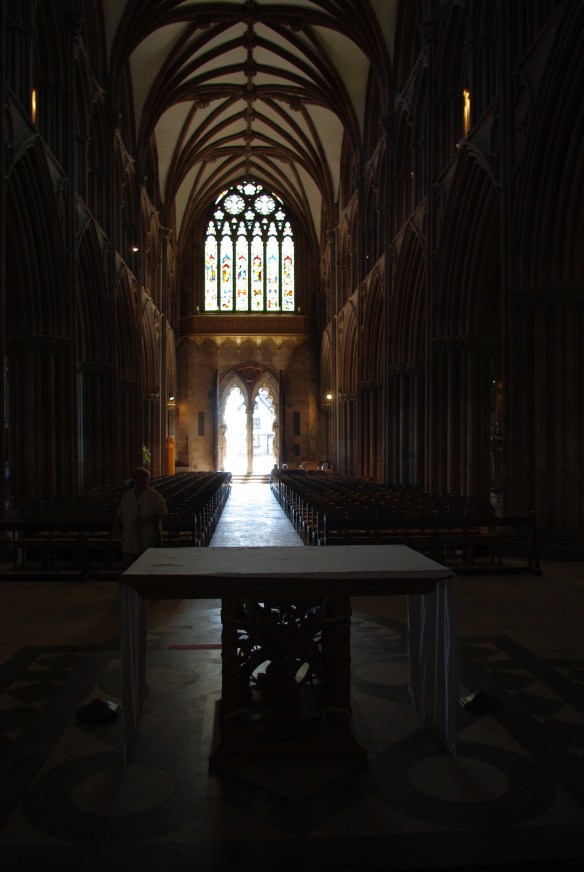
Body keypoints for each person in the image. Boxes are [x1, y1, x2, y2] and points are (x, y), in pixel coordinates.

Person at [112, 467, 169, 566]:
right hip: (129, 536)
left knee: (146, 568)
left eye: (146, 479)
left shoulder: (154, 496)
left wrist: (146, 520)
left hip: (147, 539)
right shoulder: (128, 495)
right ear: (135, 480)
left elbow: (163, 515)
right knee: (129, 567)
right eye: (141, 479)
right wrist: (115, 528)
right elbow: (119, 513)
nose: (144, 482)